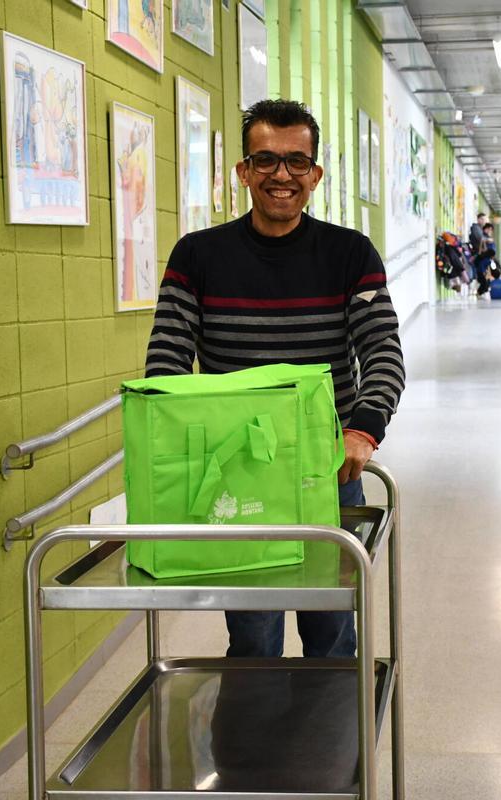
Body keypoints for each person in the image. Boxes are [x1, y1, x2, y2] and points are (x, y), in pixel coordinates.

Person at [145, 99, 405, 659]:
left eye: (295, 162)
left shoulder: (350, 253)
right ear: (243, 171)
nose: (280, 175)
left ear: (315, 174)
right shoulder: (196, 256)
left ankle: (330, 745)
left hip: (327, 474)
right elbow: (166, 365)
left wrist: (363, 430)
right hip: (238, 480)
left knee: (332, 636)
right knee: (254, 637)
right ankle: (253, 747)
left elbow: (382, 349)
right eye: (265, 160)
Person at [473, 222, 496, 295]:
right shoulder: (483, 237)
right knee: (483, 279)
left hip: (487, 261)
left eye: (491, 230)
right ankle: (480, 291)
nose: (489, 231)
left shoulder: (489, 239)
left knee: (486, 279)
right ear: (485, 229)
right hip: (482, 260)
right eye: (488, 229)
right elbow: (482, 247)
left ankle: (481, 291)